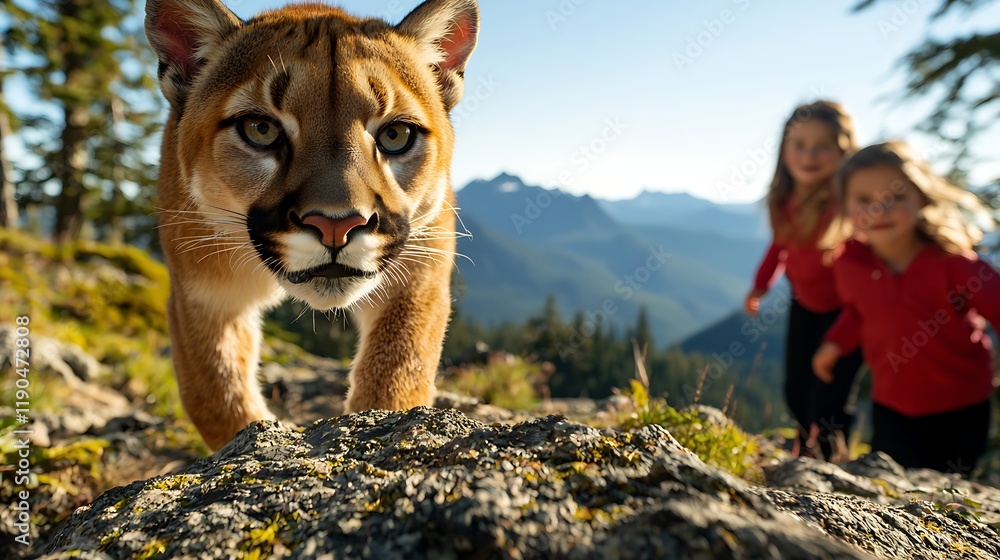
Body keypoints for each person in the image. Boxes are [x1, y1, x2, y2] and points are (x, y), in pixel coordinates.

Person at [814, 141, 997, 474]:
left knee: (948, 492)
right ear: (844, 206)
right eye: (864, 200)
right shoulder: (849, 264)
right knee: (897, 487)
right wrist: (835, 343)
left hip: (962, 404)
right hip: (891, 403)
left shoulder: (954, 263)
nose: (878, 211)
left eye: (895, 198)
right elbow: (859, 312)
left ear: (921, 197)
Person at [746, 100, 863, 460]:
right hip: (804, 303)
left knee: (830, 389)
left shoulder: (847, 202)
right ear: (784, 152)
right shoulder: (785, 200)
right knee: (796, 385)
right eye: (799, 145)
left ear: (843, 151)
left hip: (848, 312)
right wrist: (761, 284)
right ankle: (803, 443)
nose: (809, 155)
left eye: (821, 146)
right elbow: (779, 245)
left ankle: (831, 456)